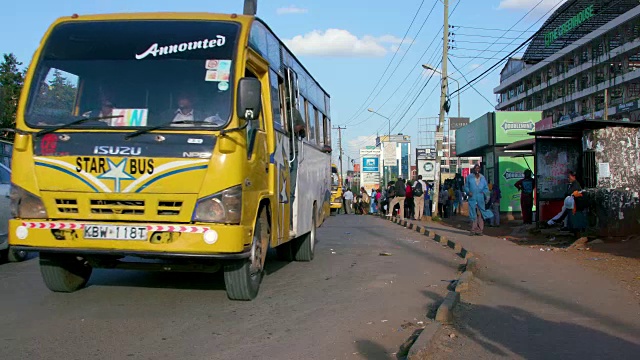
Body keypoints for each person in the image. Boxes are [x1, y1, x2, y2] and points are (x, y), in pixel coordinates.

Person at [464, 164, 493, 236]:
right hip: (472, 197)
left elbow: (486, 188)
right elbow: (466, 186)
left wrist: (487, 197)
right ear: (473, 169)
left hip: (480, 198)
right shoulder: (469, 177)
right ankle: (473, 229)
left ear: (479, 169)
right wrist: (468, 192)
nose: (477, 170)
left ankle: (480, 230)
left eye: (478, 168)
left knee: (481, 214)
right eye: (475, 168)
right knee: (473, 213)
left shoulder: (482, 178)